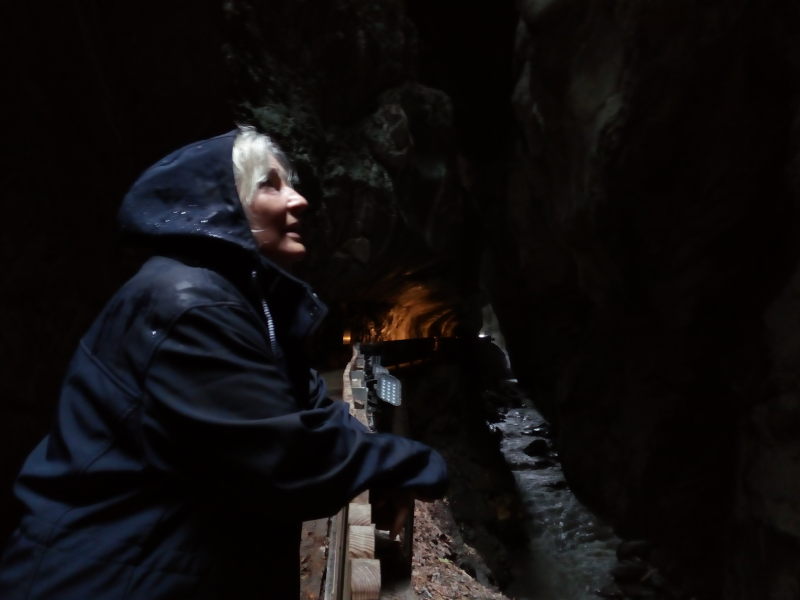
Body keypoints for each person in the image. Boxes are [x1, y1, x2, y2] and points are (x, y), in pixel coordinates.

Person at [0, 126, 448, 599]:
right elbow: (286, 456)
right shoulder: (189, 304)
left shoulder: (243, 301)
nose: (298, 200)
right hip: (107, 576)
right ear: (222, 205)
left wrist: (381, 462)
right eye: (270, 185)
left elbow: (311, 407)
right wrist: (413, 464)